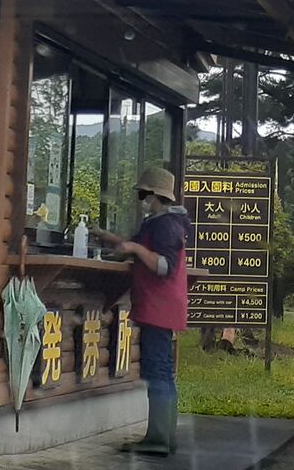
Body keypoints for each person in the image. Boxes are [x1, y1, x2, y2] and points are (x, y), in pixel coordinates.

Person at [94, 165, 189, 456]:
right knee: (163, 370)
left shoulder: (166, 225)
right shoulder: (160, 222)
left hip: (159, 307)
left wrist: (135, 250)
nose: (142, 200)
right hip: (159, 306)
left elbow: (164, 265)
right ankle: (165, 436)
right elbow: (133, 245)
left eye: (144, 195)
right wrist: (108, 237)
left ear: (155, 196)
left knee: (158, 370)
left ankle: (158, 439)